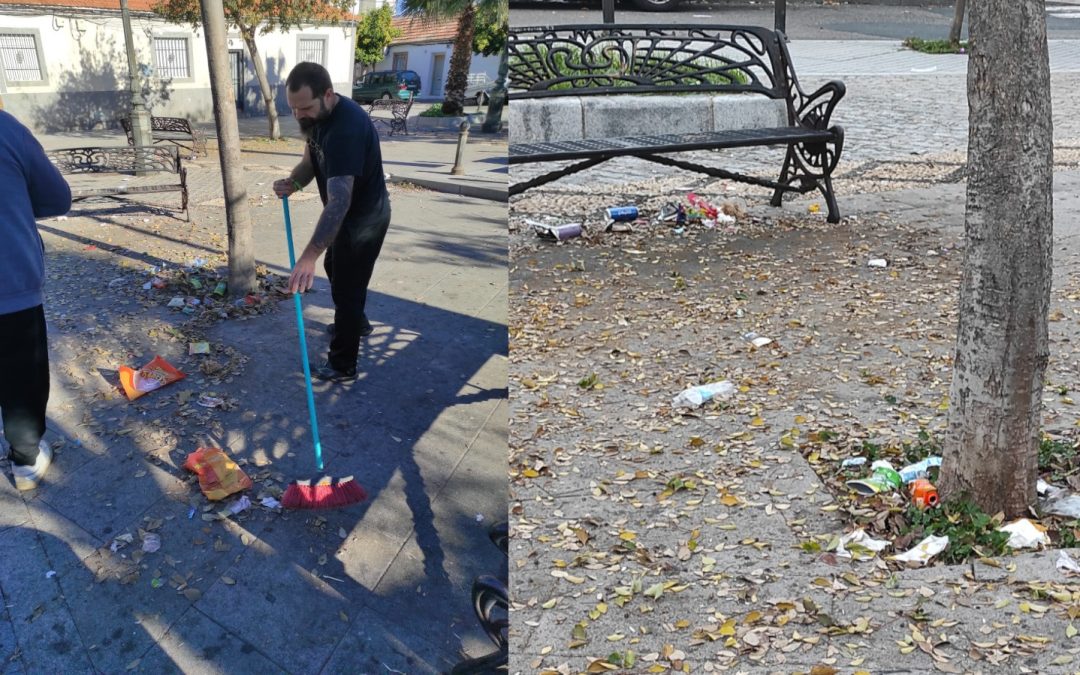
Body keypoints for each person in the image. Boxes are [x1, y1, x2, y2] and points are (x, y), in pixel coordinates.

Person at [273, 62, 391, 383]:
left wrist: (308, 255)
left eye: (305, 108)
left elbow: (339, 201)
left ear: (328, 94)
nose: (299, 116)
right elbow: (311, 160)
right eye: (294, 109)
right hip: (347, 218)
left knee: (348, 287)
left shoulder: (346, 129)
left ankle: (343, 365)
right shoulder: (318, 119)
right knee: (336, 267)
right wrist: (293, 183)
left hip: (365, 220)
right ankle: (357, 322)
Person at [0, 110, 72, 490]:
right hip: (9, 283)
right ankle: (25, 460)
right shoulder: (6, 129)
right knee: (20, 374)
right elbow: (57, 198)